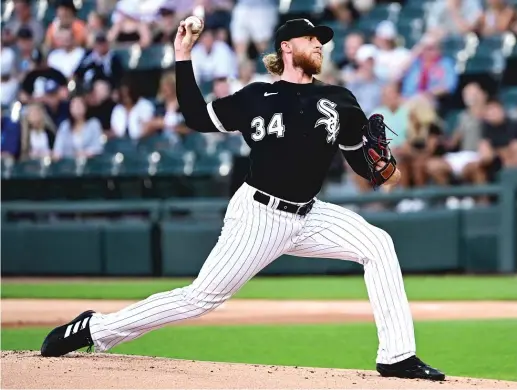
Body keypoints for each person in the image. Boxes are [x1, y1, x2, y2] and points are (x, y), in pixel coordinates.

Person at [40, 17, 445, 382]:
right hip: (258, 216)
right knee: (199, 298)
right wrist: (182, 56)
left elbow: (362, 163)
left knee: (378, 244)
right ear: (287, 47)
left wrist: (378, 165)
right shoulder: (255, 97)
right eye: (311, 39)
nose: (320, 45)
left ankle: (397, 356)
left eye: (322, 41)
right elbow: (197, 117)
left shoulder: (340, 99)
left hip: (311, 214)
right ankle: (94, 328)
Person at [53, 95, 104, 159]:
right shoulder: (64, 126)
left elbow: (98, 148)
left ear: (85, 107)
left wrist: (85, 153)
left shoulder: (93, 124)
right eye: (74, 106)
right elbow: (57, 149)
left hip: (90, 164)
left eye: (79, 106)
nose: (77, 109)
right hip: (68, 165)